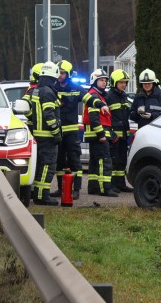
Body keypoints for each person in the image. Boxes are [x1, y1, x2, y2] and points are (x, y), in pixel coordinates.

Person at [28, 61, 61, 206]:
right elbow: (49, 115)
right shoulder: (48, 92)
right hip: (47, 137)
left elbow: (30, 112)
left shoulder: (36, 90)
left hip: (37, 136)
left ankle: (37, 193)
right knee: (48, 166)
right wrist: (56, 133)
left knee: (40, 166)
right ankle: (42, 196)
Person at [83, 69, 120, 197]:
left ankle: (93, 187)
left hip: (96, 135)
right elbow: (94, 118)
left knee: (94, 162)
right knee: (105, 161)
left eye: (105, 80)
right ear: (94, 81)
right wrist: (101, 135)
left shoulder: (98, 95)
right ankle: (105, 188)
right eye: (101, 80)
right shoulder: (94, 96)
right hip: (98, 135)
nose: (104, 82)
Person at [53, 60, 85, 200]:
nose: (60, 75)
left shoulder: (76, 88)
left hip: (71, 132)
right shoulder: (53, 88)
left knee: (74, 160)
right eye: (59, 72)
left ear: (69, 74)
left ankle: (76, 189)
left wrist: (100, 103)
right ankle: (61, 189)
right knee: (59, 161)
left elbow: (88, 97)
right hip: (58, 131)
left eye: (63, 73)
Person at [106, 69, 133, 193]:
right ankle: (112, 185)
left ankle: (121, 184)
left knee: (122, 161)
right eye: (121, 82)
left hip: (123, 136)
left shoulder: (123, 96)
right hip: (114, 136)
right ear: (114, 82)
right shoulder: (109, 97)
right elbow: (107, 118)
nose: (124, 85)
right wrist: (111, 134)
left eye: (125, 82)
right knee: (114, 161)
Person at [22, 62, 43, 134]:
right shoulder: (34, 90)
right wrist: (33, 117)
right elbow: (24, 105)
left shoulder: (33, 88)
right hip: (35, 127)